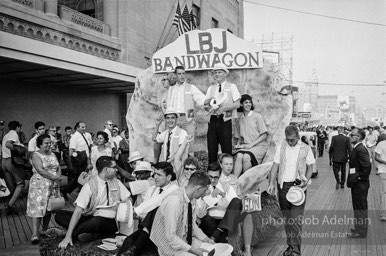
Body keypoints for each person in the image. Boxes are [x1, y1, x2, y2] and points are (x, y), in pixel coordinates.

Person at [57, 156, 131, 248]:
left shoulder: (117, 182)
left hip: (110, 221)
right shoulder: (89, 185)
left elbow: (128, 199)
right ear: (106, 169)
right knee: (59, 215)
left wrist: (121, 206)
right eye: (114, 167)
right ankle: (94, 234)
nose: (116, 170)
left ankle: (67, 233)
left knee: (96, 221)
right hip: (91, 216)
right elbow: (78, 211)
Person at [267, 125, 315, 256]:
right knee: (288, 220)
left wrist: (306, 180)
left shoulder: (305, 148)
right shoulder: (281, 146)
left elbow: (311, 167)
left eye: (293, 140)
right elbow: (275, 165)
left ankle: (296, 251)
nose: (290, 142)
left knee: (296, 220)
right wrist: (271, 182)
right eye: (288, 139)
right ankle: (290, 247)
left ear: (298, 137)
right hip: (283, 187)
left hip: (298, 188)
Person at [117, 162, 179, 256]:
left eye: (159, 175)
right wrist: (134, 214)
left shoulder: (174, 189)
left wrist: (136, 211)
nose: (155, 177)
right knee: (129, 240)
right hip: (148, 228)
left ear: (169, 177)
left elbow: (156, 201)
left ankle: (135, 249)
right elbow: (145, 210)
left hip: (164, 231)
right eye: (155, 174)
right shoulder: (153, 189)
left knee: (155, 210)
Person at [150, 171, 215, 256]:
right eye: (204, 190)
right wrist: (194, 251)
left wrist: (207, 240)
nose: (204, 194)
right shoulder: (174, 202)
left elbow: (192, 225)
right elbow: (171, 238)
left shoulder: (192, 198)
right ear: (198, 188)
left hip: (184, 240)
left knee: (213, 249)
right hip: (168, 246)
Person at [197, 162, 254, 256]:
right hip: (211, 222)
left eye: (215, 177)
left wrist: (223, 195)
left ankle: (218, 234)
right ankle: (223, 239)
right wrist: (205, 197)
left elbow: (236, 204)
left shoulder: (225, 186)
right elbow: (199, 214)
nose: (212, 180)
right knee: (206, 219)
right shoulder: (202, 188)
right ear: (207, 174)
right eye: (210, 177)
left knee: (236, 201)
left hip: (226, 221)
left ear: (219, 176)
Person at [26, 134, 62, 243]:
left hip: (52, 185)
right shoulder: (36, 155)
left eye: (49, 143)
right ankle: (35, 233)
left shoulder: (53, 154)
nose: (49, 145)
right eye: (46, 143)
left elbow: (58, 167)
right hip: (39, 185)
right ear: (40, 144)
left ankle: (45, 229)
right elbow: (40, 170)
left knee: (48, 208)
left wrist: (58, 177)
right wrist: (55, 177)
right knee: (37, 209)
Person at [204, 63, 241, 163]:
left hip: (225, 121)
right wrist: (209, 108)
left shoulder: (232, 86)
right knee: (212, 149)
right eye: (215, 72)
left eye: (219, 72)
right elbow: (205, 105)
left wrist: (223, 109)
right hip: (212, 120)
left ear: (225, 74)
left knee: (226, 149)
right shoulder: (211, 88)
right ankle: (212, 174)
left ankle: (227, 174)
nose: (216, 74)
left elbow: (237, 104)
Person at [166, 66, 206, 140]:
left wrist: (210, 102)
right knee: (175, 143)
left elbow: (201, 99)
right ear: (175, 75)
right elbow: (169, 106)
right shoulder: (171, 89)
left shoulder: (191, 87)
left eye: (183, 73)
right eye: (179, 74)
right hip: (175, 119)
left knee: (189, 143)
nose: (182, 76)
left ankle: (190, 152)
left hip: (188, 119)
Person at [234, 94, 268, 177]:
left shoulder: (257, 116)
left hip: (259, 146)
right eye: (246, 102)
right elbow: (239, 137)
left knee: (246, 157)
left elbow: (264, 135)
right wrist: (238, 145)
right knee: (239, 156)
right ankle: (234, 182)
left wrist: (251, 145)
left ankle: (246, 182)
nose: (248, 104)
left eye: (250, 102)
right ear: (241, 104)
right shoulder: (240, 119)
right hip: (246, 146)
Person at [347, 128, 371, 238]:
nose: (350, 136)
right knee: (358, 207)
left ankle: (360, 231)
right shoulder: (356, 148)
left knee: (360, 207)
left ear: (359, 137)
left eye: (353, 135)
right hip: (357, 183)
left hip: (360, 184)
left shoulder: (360, 149)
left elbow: (367, 167)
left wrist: (359, 177)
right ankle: (359, 228)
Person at [61, 122, 93, 199]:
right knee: (81, 178)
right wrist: (78, 157)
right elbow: (71, 152)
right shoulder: (74, 137)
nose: (84, 128)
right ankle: (81, 194)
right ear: (77, 128)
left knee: (81, 178)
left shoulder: (85, 135)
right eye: (82, 127)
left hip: (86, 160)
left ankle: (66, 190)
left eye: (85, 127)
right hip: (79, 161)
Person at [2, 121, 25, 215]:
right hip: (12, 162)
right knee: (21, 183)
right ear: (18, 127)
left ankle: (11, 205)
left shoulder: (6, 135)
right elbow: (8, 144)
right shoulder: (14, 133)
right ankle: (10, 205)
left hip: (4, 162)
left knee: (11, 186)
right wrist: (18, 150)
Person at [375, 133, 386, 221]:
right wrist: (384, 162)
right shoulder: (381, 144)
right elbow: (376, 157)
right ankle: (383, 214)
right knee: (384, 192)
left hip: (383, 170)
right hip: (383, 171)